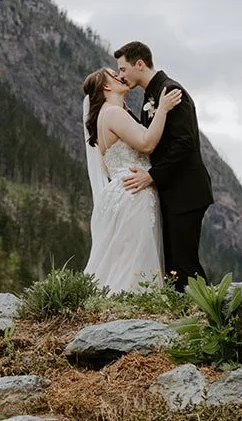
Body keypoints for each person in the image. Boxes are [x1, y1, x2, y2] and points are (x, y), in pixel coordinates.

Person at [114, 40, 214, 291]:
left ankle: (211, 320)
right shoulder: (150, 96)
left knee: (186, 266)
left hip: (186, 192)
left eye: (123, 69)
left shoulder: (170, 92)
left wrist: (152, 176)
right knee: (173, 267)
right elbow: (154, 139)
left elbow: (184, 144)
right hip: (173, 192)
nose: (120, 75)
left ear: (139, 64)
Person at [81, 66, 183, 292]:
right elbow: (146, 143)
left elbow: (109, 168)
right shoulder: (114, 113)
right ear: (107, 86)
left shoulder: (105, 116)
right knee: (135, 258)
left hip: (121, 189)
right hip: (134, 192)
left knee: (123, 257)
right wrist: (163, 110)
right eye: (113, 74)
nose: (119, 76)